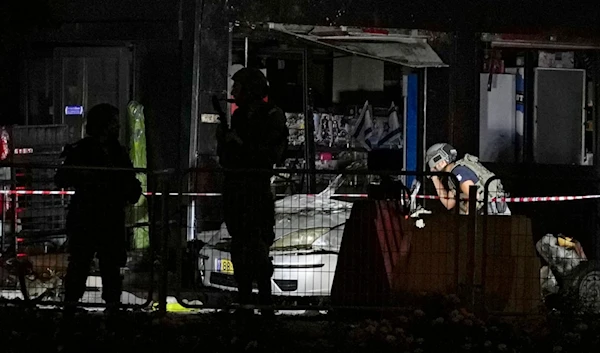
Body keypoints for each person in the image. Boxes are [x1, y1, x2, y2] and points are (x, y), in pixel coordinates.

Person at [55, 103, 142, 318]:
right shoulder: (88, 150)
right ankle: (75, 307)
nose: (118, 127)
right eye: (114, 122)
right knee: (83, 265)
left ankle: (104, 307)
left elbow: (131, 186)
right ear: (104, 125)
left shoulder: (114, 152)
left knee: (106, 267)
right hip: (92, 217)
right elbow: (62, 178)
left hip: (103, 218)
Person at [216, 67, 288, 316]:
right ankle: (245, 300)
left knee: (257, 246)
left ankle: (265, 300)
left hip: (256, 189)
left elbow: (271, 153)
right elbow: (227, 158)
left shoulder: (272, 115)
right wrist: (224, 141)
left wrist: (241, 144)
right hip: (237, 188)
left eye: (238, 87)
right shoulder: (240, 116)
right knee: (240, 246)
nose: (234, 92)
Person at [426, 143, 510, 215]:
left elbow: (473, 195)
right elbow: (448, 204)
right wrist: (435, 178)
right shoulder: (453, 175)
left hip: (490, 211)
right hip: (492, 210)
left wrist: (467, 220)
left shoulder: (458, 172)